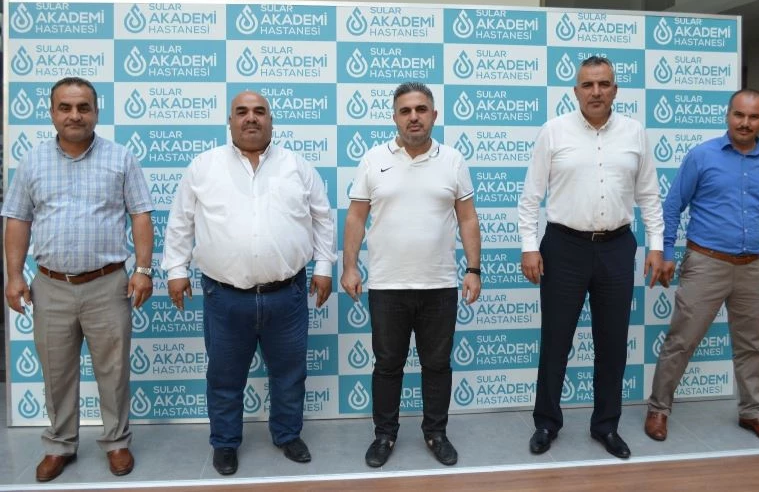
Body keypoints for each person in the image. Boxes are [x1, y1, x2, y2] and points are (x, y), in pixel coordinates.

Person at [162, 90, 336, 476]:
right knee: (224, 377)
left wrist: (324, 266)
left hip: (287, 295)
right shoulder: (204, 166)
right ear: (230, 121)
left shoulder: (297, 166)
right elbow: (180, 222)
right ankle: (225, 443)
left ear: (271, 120)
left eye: (259, 111)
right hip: (224, 297)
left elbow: (322, 218)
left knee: (289, 374)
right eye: (242, 112)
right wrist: (176, 270)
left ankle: (287, 435)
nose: (251, 118)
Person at [2, 77, 154, 482]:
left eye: (83, 107)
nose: (75, 115)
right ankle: (59, 445)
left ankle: (117, 442)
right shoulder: (32, 162)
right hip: (50, 286)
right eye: (65, 107)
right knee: (57, 372)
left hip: (108, 284)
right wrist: (14, 276)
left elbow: (140, 215)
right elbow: (17, 219)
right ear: (52, 113)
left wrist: (143, 270)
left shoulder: (121, 158)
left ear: (96, 112)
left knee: (113, 370)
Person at [518, 56, 664, 459]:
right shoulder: (554, 131)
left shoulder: (635, 133)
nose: (596, 92)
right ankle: (546, 423)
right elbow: (530, 197)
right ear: (576, 91)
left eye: (603, 84)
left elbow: (649, 195)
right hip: (563, 247)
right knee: (556, 341)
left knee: (613, 343)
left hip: (617, 247)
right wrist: (529, 245)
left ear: (615, 89)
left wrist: (656, 245)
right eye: (588, 85)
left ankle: (606, 426)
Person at [341, 82, 481, 468]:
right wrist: (350, 266)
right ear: (395, 117)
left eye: (421, 109)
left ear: (434, 115)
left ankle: (436, 433)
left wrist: (473, 269)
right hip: (388, 285)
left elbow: (468, 219)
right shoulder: (373, 159)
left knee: (437, 365)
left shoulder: (452, 160)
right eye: (405, 111)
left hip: (439, 285)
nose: (414, 117)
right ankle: (384, 435)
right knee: (388, 365)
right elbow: (356, 216)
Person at [644, 89, 759, 445]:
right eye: (739, 114)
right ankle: (659, 409)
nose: (745, 123)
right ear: (728, 115)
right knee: (682, 340)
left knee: (753, 345)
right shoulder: (702, 156)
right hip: (706, 263)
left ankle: (753, 412)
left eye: (753, 117)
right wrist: (666, 252)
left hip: (756, 267)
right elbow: (672, 206)